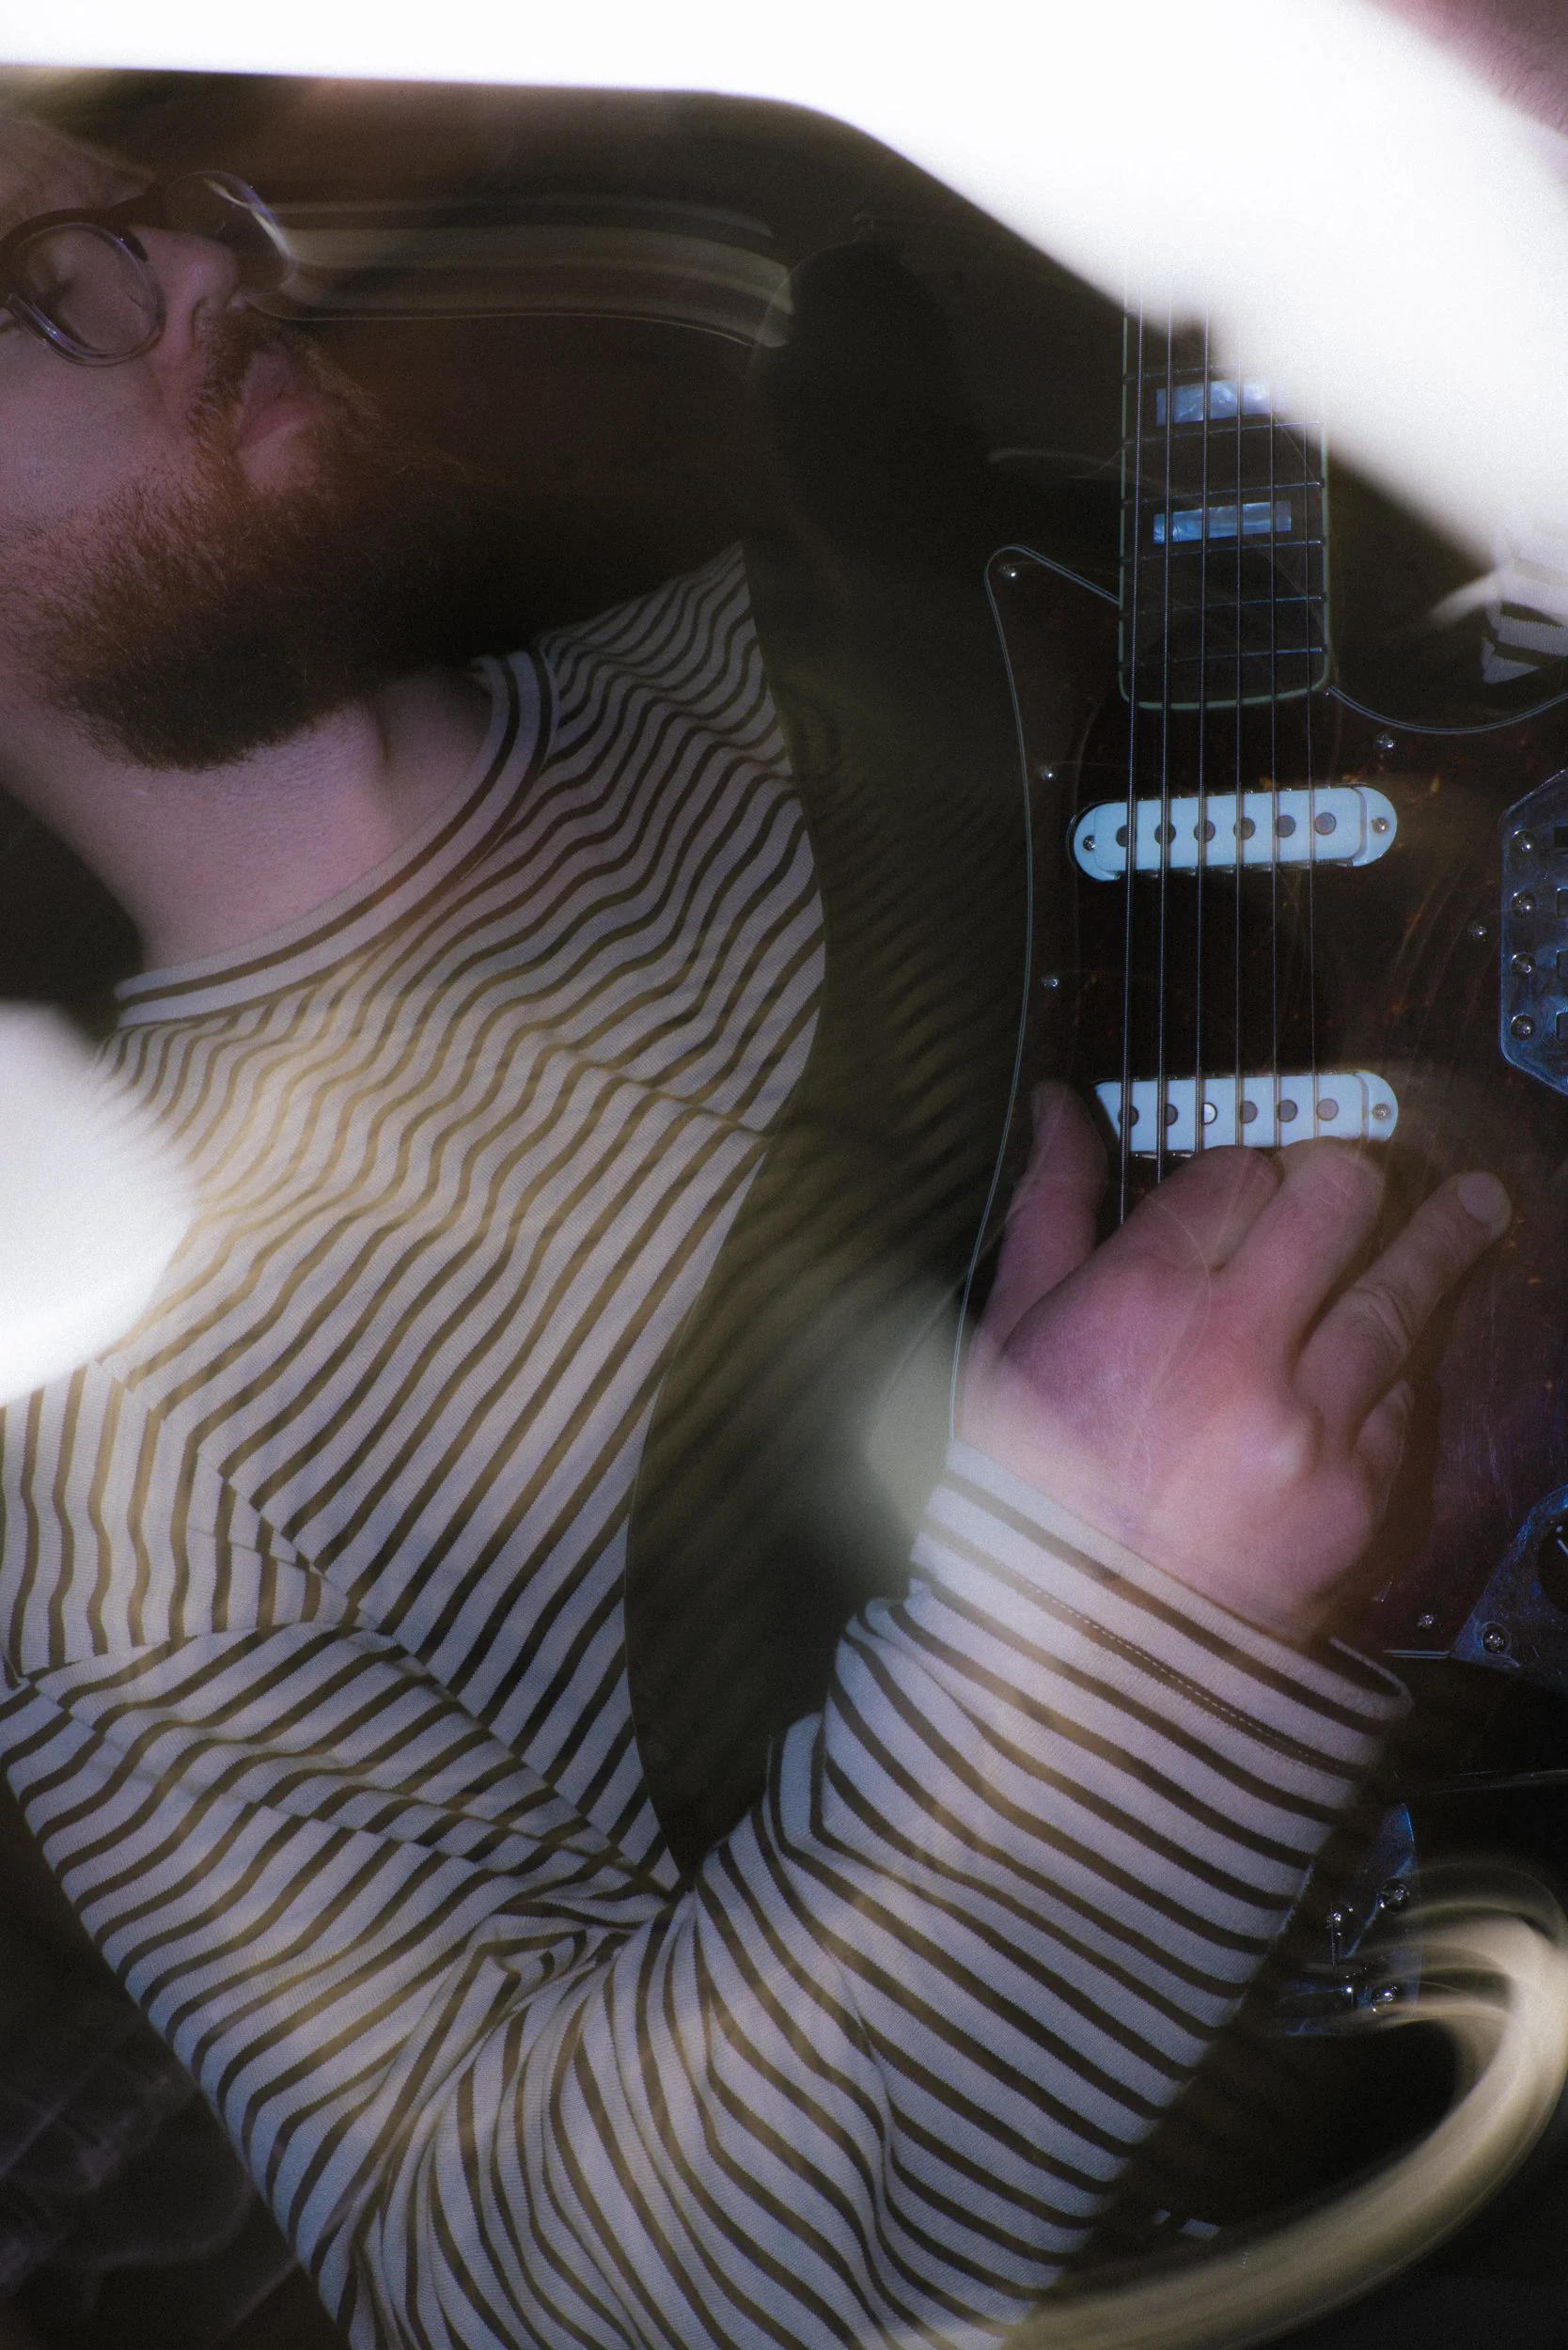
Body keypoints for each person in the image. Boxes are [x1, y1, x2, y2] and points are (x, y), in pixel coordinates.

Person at [0, 106, 1513, 2350]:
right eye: (52, 284)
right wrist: (1115, 1630)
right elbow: (525, 2303)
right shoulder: (123, 1472)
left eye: (180, 211)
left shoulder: (931, 603)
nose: (218, 268)